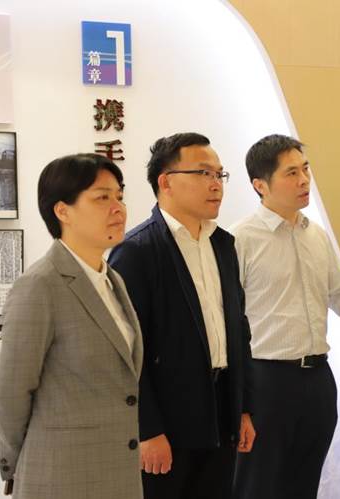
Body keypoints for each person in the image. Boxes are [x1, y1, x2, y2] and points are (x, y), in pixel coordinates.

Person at [230, 134, 340, 499]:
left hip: (317, 381)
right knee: (257, 487)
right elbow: (228, 322)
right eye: (291, 173)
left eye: (305, 169)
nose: (304, 180)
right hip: (264, 382)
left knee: (304, 486)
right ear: (260, 185)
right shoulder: (240, 239)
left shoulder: (316, 235)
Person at [108, 133, 254, 499]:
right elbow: (124, 352)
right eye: (204, 173)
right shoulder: (136, 251)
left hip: (221, 409)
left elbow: (238, 330)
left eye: (220, 175)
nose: (216, 184)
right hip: (167, 420)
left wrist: (243, 408)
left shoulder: (223, 244)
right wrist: (147, 429)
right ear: (166, 182)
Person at [0, 153, 144, 499]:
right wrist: (21, 461)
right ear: (62, 211)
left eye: (119, 196)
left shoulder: (112, 279)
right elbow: (10, 394)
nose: (118, 208)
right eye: (102, 197)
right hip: (60, 474)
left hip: (117, 473)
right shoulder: (40, 285)